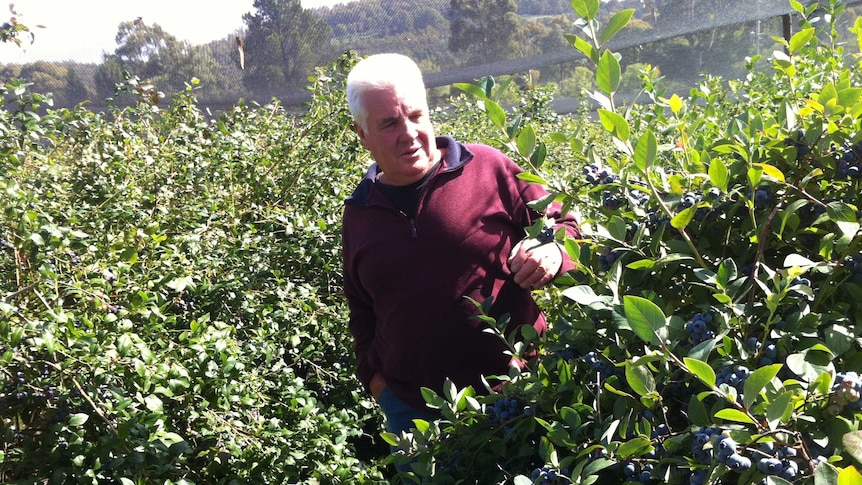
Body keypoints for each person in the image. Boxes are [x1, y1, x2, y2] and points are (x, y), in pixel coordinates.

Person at [341, 53, 581, 450]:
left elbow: (565, 225)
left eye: (416, 115)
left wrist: (552, 250)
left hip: (516, 392)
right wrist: (376, 381)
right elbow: (361, 307)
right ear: (361, 134)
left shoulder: (488, 167)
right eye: (388, 124)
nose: (409, 133)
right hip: (413, 413)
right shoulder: (360, 213)